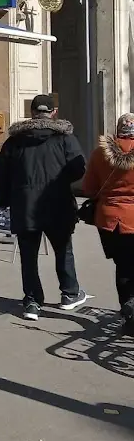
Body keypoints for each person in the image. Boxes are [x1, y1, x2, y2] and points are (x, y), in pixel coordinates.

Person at [0, 93, 88, 320]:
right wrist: (62, 180)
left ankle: (32, 303)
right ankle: (69, 294)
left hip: (25, 206)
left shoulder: (14, 141)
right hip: (57, 204)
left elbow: (1, 173)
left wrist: (4, 200)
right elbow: (79, 168)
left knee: (29, 256)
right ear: (53, 112)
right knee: (63, 250)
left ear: (31, 113)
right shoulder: (65, 138)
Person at [81, 113, 134, 335]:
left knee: (123, 267)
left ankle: (128, 313)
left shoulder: (100, 153)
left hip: (109, 219)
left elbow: (89, 189)